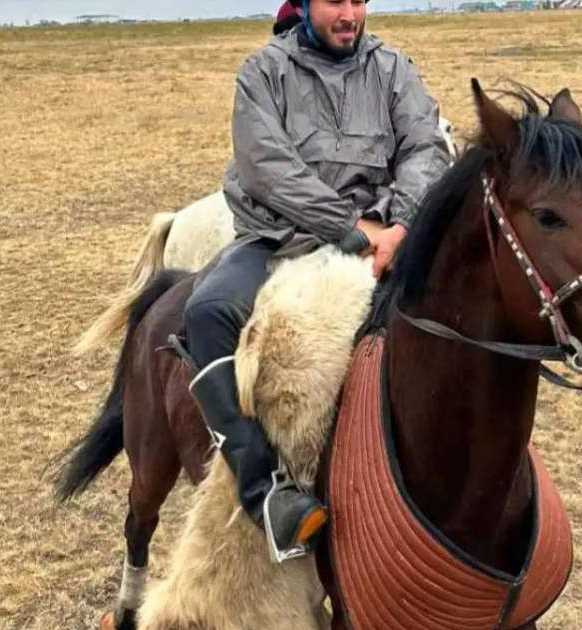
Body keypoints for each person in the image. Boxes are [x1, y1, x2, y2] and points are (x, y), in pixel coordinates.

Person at [183, 0, 449, 562]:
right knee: (206, 312)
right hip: (280, 240)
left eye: (358, 0)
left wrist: (400, 227)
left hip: (383, 235)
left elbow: (424, 147)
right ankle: (267, 493)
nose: (349, 13)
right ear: (303, 5)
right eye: (334, 1)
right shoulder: (263, 73)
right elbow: (266, 166)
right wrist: (348, 227)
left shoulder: (394, 69)